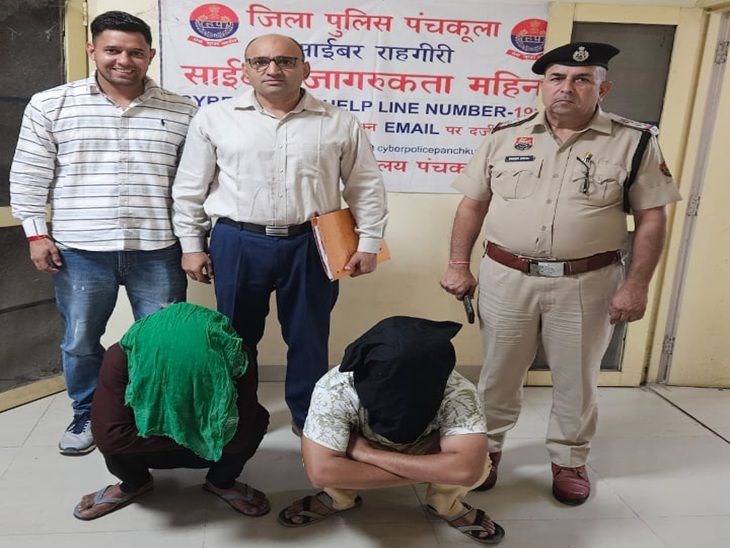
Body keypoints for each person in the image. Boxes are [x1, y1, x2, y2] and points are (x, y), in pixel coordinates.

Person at [440, 42, 681, 505]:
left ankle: (569, 459)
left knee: (577, 378)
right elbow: (473, 204)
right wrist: (457, 264)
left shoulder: (634, 142)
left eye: (582, 79)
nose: (566, 88)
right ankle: (486, 452)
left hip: (588, 282)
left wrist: (637, 285)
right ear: (543, 85)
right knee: (498, 373)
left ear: (602, 89)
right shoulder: (504, 136)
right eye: (557, 78)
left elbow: (652, 218)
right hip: (507, 276)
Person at [171, 33, 388, 432]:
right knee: (234, 335)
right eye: (261, 61)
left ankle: (309, 418)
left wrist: (370, 241)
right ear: (245, 70)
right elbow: (189, 188)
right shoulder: (215, 119)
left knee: (309, 336)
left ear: (305, 69)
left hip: (312, 242)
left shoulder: (338, 122)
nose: (273, 69)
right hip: (237, 240)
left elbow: (366, 186)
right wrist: (191, 245)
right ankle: (236, 413)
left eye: (286, 61)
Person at [9, 11, 197, 455]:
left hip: (157, 248)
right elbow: (30, 174)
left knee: (161, 341)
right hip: (80, 250)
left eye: (135, 52)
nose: (123, 61)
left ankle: (155, 415)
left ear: (151, 54)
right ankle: (87, 413)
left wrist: (195, 242)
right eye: (112, 50)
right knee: (80, 340)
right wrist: (36, 234)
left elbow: (193, 185)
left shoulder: (183, 109)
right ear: (92, 50)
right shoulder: (51, 104)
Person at [278, 316, 505, 545]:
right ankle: (339, 498)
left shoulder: (458, 390)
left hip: (381, 447)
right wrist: (438, 470)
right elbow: (321, 473)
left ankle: (445, 504)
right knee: (325, 453)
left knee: (477, 464)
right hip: (384, 444)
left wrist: (368, 454)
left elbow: (467, 470)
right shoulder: (334, 388)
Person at [73, 303, 270, 520]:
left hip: (172, 445)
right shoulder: (122, 355)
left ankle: (221, 482)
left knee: (258, 419)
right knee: (111, 430)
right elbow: (109, 438)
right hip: (184, 447)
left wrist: (175, 429)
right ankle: (134, 483)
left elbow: (241, 437)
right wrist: (197, 432)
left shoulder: (235, 354)